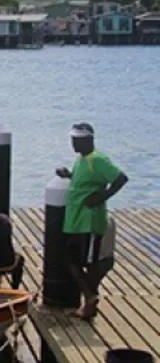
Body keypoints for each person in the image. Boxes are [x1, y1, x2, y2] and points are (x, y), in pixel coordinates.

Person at [56, 123, 128, 320]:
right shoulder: (81, 160)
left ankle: (90, 298)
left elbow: (121, 178)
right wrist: (69, 175)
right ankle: (89, 300)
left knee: (87, 261)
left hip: (89, 221)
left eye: (76, 140)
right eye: (72, 140)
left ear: (87, 140)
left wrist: (103, 196)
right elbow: (84, 181)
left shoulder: (98, 159)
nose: (73, 144)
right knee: (71, 259)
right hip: (76, 220)